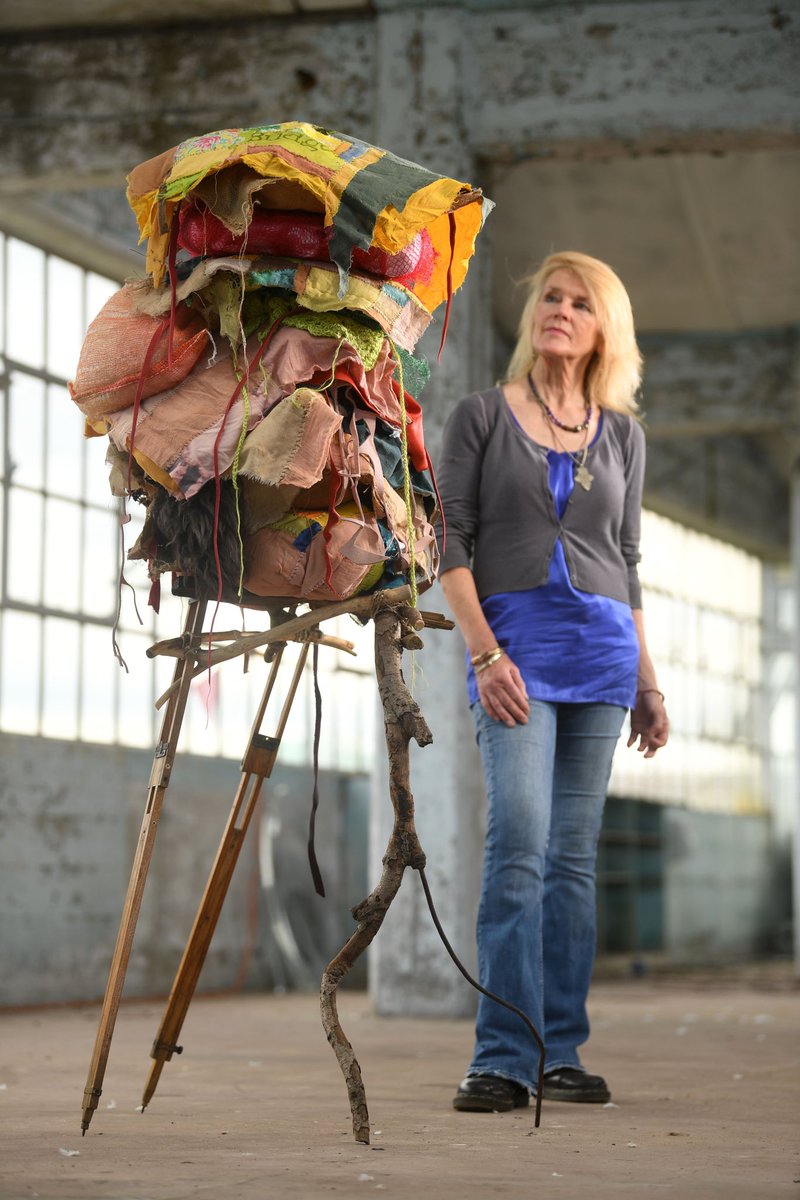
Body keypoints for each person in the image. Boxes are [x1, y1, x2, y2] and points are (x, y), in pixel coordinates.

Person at [436, 250, 669, 1113]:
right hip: (517, 655)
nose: (558, 310)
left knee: (572, 862)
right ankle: (501, 1054)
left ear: (604, 328)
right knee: (520, 844)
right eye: (549, 297)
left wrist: (650, 682)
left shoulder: (624, 436)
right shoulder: (481, 417)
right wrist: (485, 652)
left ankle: (560, 1049)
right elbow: (447, 541)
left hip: (604, 660)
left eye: (578, 302)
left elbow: (629, 566)